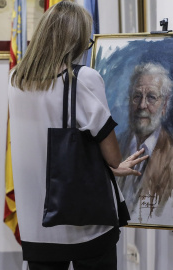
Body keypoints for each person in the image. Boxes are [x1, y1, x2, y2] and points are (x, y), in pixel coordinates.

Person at [8, 1, 147, 269]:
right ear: (76, 41)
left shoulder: (16, 79)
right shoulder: (81, 78)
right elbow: (111, 152)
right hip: (83, 222)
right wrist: (116, 166)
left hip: (36, 222)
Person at [117, 62, 173, 224]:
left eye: (151, 97)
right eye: (137, 96)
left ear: (165, 104)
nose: (142, 105)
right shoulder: (114, 145)